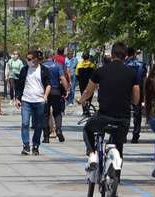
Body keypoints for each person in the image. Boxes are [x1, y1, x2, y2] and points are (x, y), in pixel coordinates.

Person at [79, 42, 140, 181]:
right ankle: (115, 182)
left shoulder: (100, 71)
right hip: (123, 119)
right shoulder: (132, 73)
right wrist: (132, 102)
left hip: (104, 116)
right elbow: (136, 97)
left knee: (88, 128)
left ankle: (92, 154)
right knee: (119, 146)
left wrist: (81, 101)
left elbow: (89, 91)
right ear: (125, 57)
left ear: (112, 55)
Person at [15, 50, 51, 156]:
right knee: (25, 123)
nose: (28, 61)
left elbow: (48, 84)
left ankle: (35, 145)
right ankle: (26, 145)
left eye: (30, 59)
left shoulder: (44, 70)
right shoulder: (24, 69)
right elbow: (19, 85)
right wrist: (17, 98)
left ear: (36, 59)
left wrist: (45, 96)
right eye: (27, 59)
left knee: (38, 125)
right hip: (26, 100)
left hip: (39, 101)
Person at [41, 50, 69, 143]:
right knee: (57, 112)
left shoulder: (41, 66)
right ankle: (59, 130)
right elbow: (62, 79)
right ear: (53, 56)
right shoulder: (57, 66)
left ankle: (46, 136)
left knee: (45, 114)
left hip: (44, 93)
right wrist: (66, 90)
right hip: (56, 91)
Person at [125, 47, 147, 143]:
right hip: (139, 90)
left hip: (125, 90)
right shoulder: (142, 65)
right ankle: (135, 135)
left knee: (125, 113)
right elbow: (145, 80)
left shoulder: (123, 64)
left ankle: (124, 134)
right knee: (137, 113)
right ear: (134, 54)